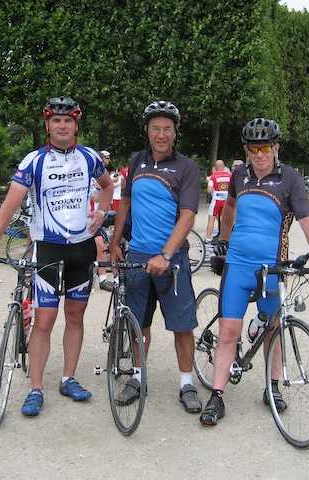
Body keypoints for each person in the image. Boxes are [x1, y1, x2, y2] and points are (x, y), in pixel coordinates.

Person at [0, 96, 113, 417]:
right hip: (48, 249)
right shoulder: (33, 161)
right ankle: (36, 387)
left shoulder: (90, 158)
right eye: (56, 120)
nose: (62, 126)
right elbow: (9, 207)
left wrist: (103, 211)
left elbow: (106, 187)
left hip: (81, 249)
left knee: (76, 316)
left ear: (76, 125)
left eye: (68, 120)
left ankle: (68, 378)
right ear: (48, 125)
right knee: (45, 321)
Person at [199, 118, 309, 426]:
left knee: (273, 328)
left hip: (273, 267)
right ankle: (217, 395)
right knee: (228, 333)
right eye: (253, 148)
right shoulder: (238, 175)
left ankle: (272, 387)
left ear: (276, 148)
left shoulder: (289, 178)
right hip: (238, 265)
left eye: (265, 147)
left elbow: (306, 220)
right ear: (247, 151)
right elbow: (230, 209)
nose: (259, 154)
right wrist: (223, 241)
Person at [109, 100, 202, 414]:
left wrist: (166, 253)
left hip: (171, 261)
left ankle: (187, 383)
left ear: (175, 133)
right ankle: (137, 377)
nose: (161, 135)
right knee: (138, 324)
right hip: (137, 256)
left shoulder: (186, 168)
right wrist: (115, 241)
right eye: (155, 129)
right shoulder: (136, 161)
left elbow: (187, 216)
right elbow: (125, 203)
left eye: (167, 129)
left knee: (182, 326)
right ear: (147, 132)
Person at [205, 160, 231, 242]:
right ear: (224, 167)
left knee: (211, 219)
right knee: (224, 220)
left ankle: (208, 238)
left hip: (216, 200)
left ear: (215, 168)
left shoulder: (213, 177)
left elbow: (209, 190)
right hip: (226, 201)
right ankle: (225, 238)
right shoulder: (230, 175)